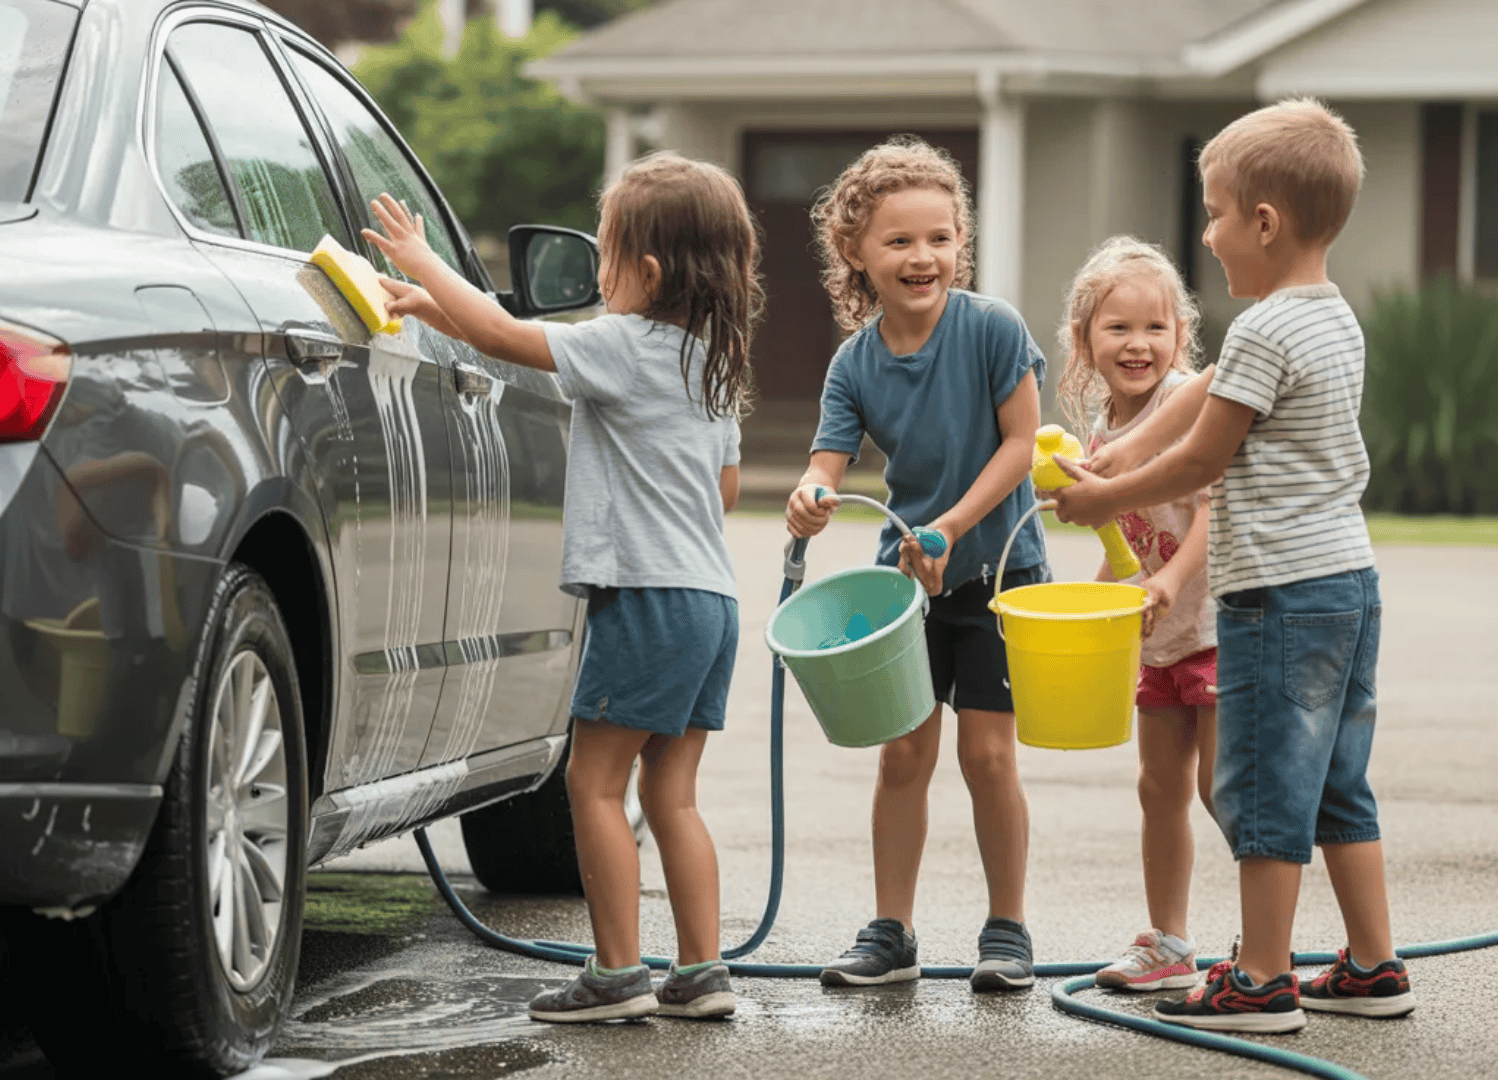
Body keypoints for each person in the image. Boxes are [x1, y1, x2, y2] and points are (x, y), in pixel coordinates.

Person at [364, 151, 760, 1023]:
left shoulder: (622, 345)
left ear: (645, 271)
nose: (597, 274)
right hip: (710, 602)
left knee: (593, 783)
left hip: (645, 598)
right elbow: (724, 491)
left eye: (604, 254)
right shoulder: (712, 365)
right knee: (673, 795)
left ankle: (617, 974)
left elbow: (504, 337)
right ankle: (702, 972)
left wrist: (422, 264)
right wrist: (432, 307)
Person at [1052, 99, 1415, 1032]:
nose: (1207, 235)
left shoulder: (1259, 328)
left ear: (1263, 222)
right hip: (1348, 584)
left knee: (1257, 788)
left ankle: (1259, 981)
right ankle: (1374, 966)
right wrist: (1120, 455)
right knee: (1336, 782)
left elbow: (1204, 458)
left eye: (1213, 215)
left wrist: (1103, 495)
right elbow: (1200, 397)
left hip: (1276, 595)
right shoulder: (1329, 317)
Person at [784, 136, 1048, 993]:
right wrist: (810, 496)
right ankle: (891, 934)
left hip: (998, 576)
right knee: (903, 756)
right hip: (907, 587)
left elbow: (1021, 445)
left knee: (989, 757)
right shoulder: (854, 363)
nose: (922, 256)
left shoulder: (992, 328)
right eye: (898, 241)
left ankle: (1006, 930)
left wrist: (951, 527)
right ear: (855, 252)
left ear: (960, 242)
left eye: (939, 237)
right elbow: (826, 464)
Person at [1054, 237, 1219, 993]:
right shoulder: (1100, 436)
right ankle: (1171, 944)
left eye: (1156, 327)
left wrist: (1170, 582)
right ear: (1084, 338)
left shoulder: (1186, 405)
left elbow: (1213, 512)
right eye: (1118, 327)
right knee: (1159, 789)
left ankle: (1268, 939)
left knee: (1224, 788)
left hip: (1212, 627)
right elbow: (1124, 546)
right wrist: (1090, 610)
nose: (1138, 344)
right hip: (1158, 639)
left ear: (1181, 335)